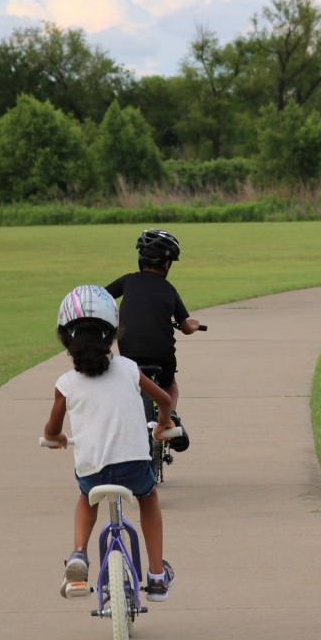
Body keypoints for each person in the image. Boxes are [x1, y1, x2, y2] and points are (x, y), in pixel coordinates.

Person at [43, 284, 176, 602]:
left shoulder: (66, 383)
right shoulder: (129, 369)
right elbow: (163, 399)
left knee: (86, 496)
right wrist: (163, 423)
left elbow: (51, 429)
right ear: (112, 333)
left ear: (66, 338)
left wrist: (56, 438)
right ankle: (156, 575)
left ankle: (78, 555)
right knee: (149, 498)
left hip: (93, 470)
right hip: (134, 468)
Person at [105, 229, 201, 451]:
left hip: (130, 352)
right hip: (162, 354)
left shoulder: (127, 281)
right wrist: (194, 325)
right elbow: (185, 327)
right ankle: (171, 418)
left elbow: (102, 295)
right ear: (167, 264)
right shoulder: (169, 290)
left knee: (131, 382)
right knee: (170, 384)